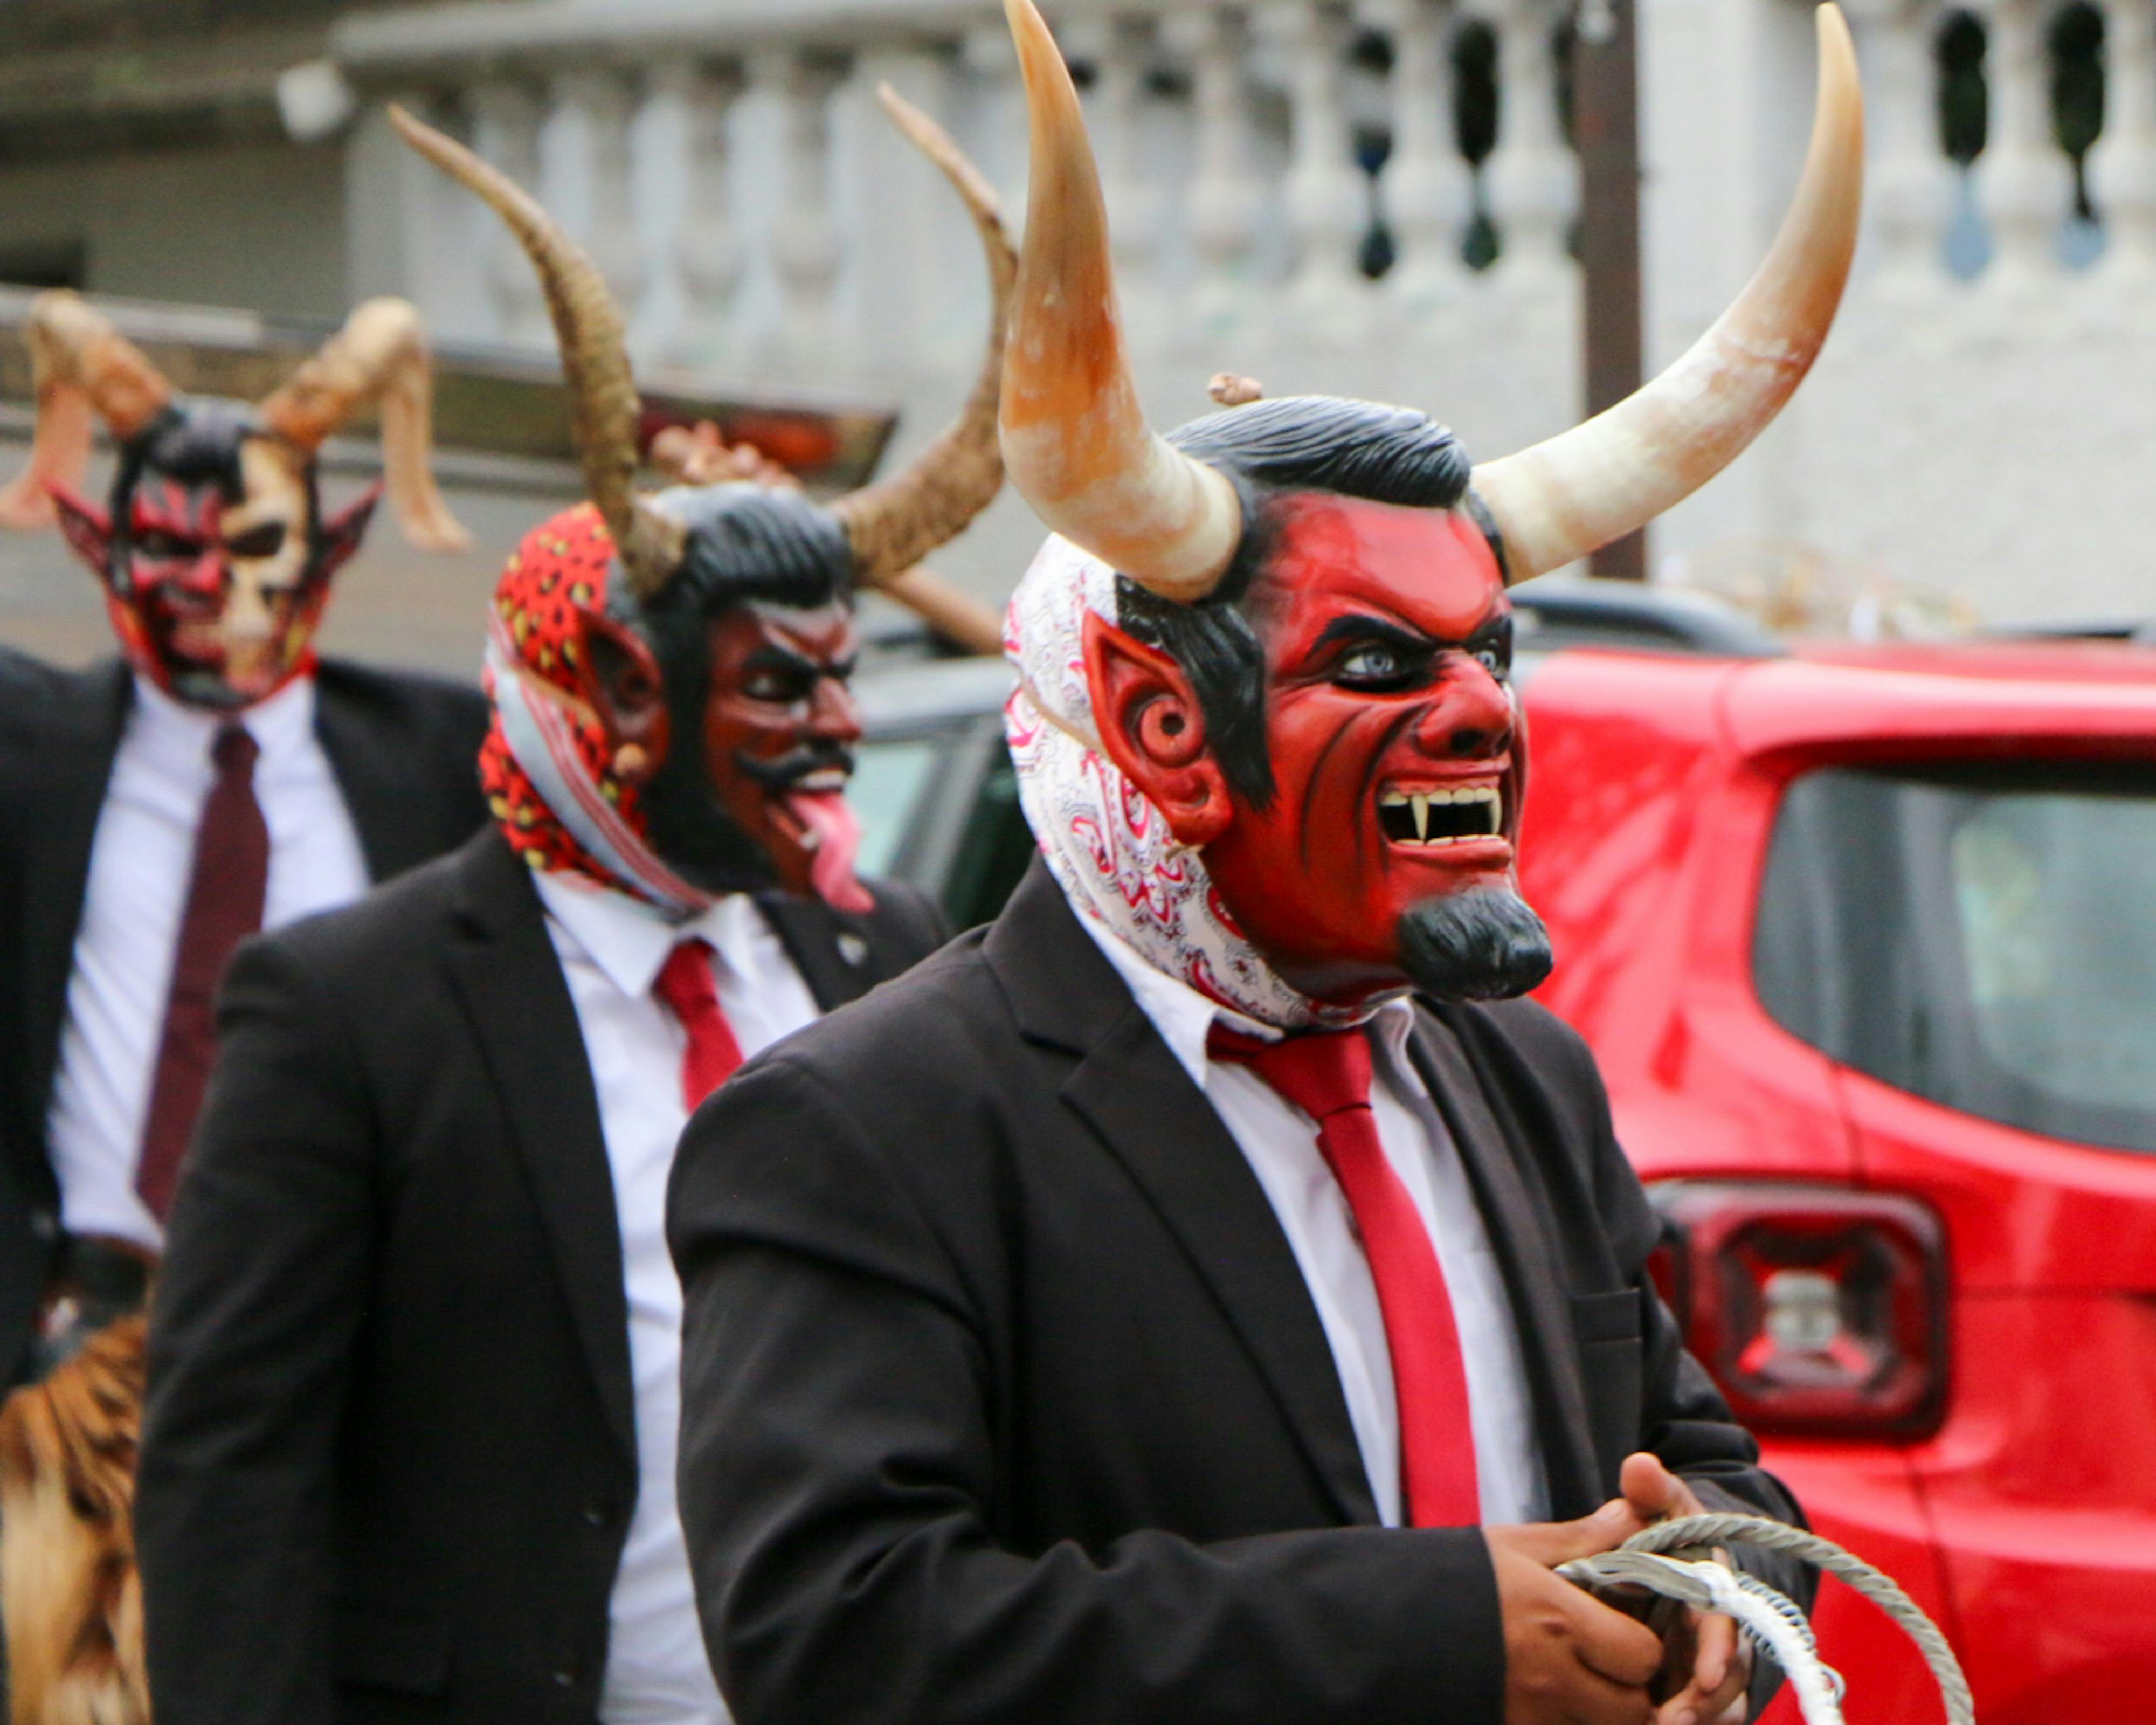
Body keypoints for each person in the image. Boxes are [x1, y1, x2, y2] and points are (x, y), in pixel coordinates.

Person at [663, 4, 1865, 1723]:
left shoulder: (1517, 1076)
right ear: (1164, 731)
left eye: (1490, 657)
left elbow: (1709, 1471)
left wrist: (1726, 1606)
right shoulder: (867, 1132)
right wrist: (1432, 1638)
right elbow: (844, 1642)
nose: (1477, 716)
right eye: (1384, 666)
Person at [133, 87, 1013, 1725]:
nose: (838, 732)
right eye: (777, 688)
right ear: (621, 691)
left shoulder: (885, 953)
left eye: (843, 681)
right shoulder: (350, 1007)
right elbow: (231, 1466)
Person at [0, 294, 482, 1725]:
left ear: (328, 554)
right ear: (101, 546)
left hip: (348, 1345)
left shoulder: (440, 762)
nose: (207, 587)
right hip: (85, 1353)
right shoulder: (32, 754)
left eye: (252, 549)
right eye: (162, 549)